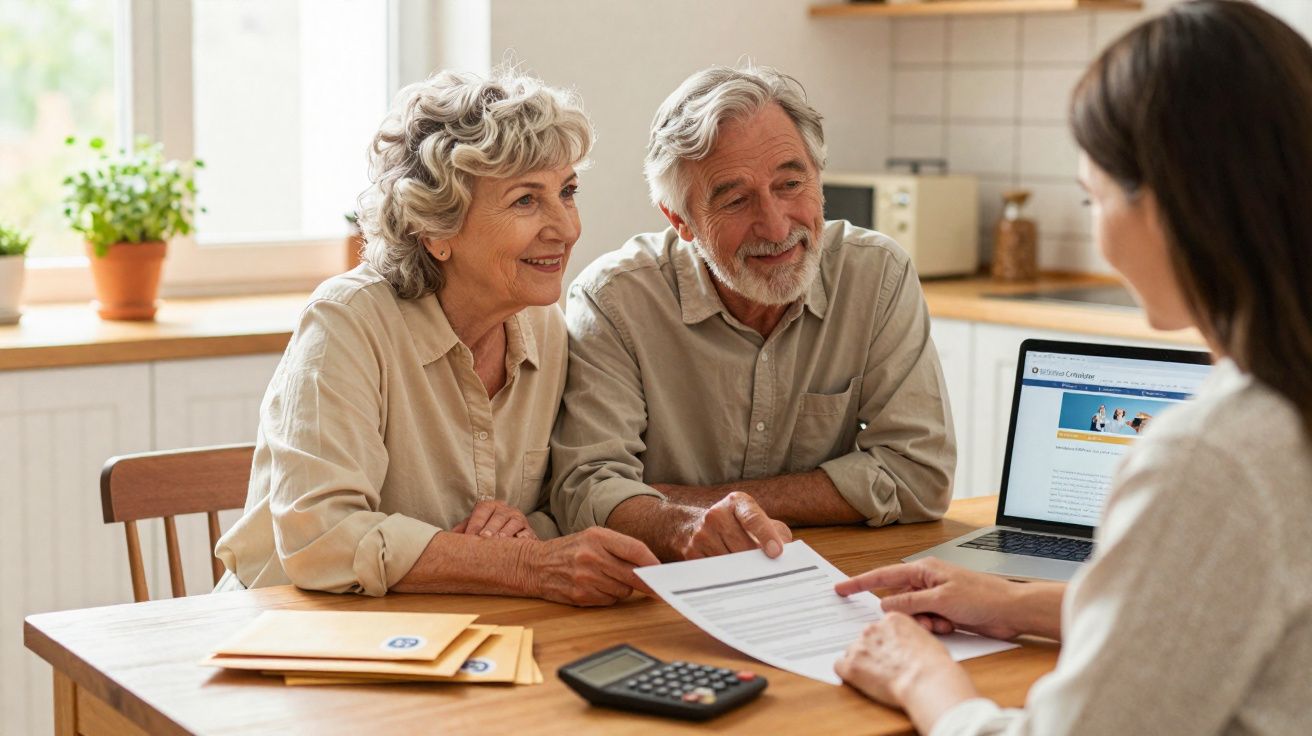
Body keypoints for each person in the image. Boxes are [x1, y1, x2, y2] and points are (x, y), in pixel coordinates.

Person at [833, 2, 1312, 733]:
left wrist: (922, 678)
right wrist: (1018, 603)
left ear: (1166, 202)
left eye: (1091, 197)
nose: (1095, 230)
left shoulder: (1211, 456)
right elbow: (1229, 615)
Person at [214, 69, 659, 606]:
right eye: (525, 200)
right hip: (289, 634)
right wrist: (520, 563)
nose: (565, 228)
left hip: (446, 628)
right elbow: (321, 537)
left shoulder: (543, 323)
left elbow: (553, 507)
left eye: (566, 192)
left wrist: (516, 535)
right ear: (437, 230)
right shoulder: (347, 322)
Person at [550, 65, 955, 562]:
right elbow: (586, 491)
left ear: (819, 179)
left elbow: (920, 476)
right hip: (670, 585)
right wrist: (680, 523)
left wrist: (691, 505)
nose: (775, 223)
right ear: (680, 220)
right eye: (737, 200)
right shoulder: (614, 300)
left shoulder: (877, 276)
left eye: (790, 184)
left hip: (832, 571)